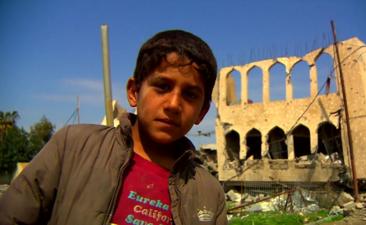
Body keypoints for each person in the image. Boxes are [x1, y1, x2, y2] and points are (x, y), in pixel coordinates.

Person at [0, 30, 227, 225]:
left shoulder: (208, 192)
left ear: (202, 112)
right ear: (134, 92)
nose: (173, 104)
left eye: (189, 95)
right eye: (162, 86)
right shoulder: (74, 148)